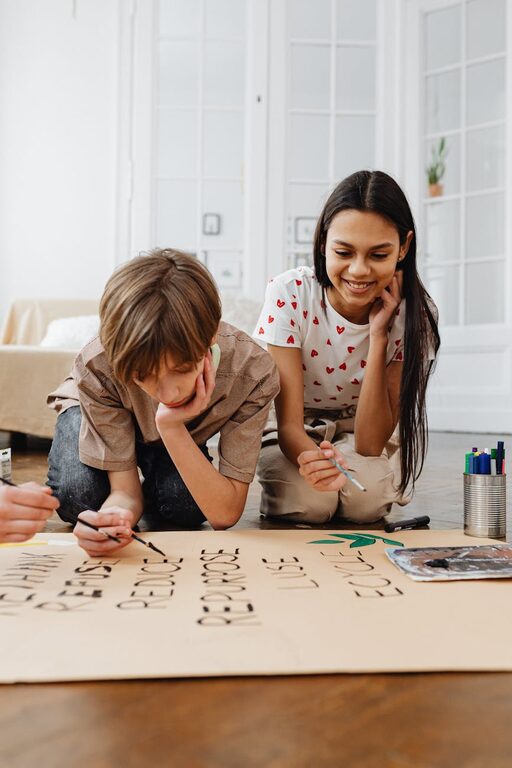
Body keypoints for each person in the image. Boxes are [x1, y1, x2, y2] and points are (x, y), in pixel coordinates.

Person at [47, 249, 279, 556]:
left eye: (181, 370)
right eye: (143, 375)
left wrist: (171, 426)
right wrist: (116, 516)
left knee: (184, 505)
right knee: (81, 497)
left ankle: (156, 480)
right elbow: (123, 493)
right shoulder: (98, 364)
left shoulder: (253, 373)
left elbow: (224, 514)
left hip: (171, 433)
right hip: (98, 409)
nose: (167, 395)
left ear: (211, 336)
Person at [253, 170, 440, 524]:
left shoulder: (417, 315)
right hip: (297, 429)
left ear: (404, 247)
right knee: (311, 503)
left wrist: (379, 333)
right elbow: (290, 426)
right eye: (344, 251)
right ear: (323, 242)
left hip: (361, 432)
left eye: (378, 254)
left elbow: (370, 444)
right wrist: (316, 463)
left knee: (364, 504)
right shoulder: (290, 294)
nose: (359, 270)